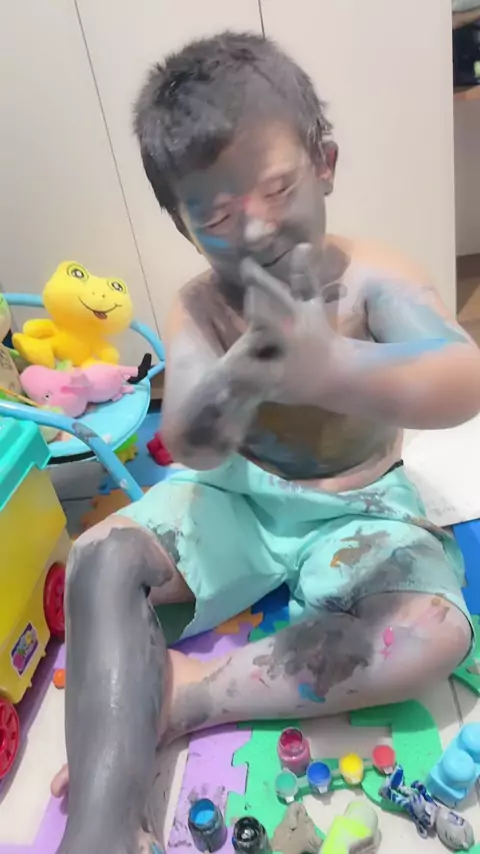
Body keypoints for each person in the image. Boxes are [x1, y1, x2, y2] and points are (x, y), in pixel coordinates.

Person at [52, 32, 479, 854]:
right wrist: (233, 382)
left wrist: (336, 369)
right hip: (237, 500)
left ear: (325, 164)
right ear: (184, 226)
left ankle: (190, 693)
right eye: (215, 216)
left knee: (435, 631)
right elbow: (187, 441)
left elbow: (462, 376)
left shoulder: (373, 275)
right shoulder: (201, 306)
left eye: (278, 188)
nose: (253, 229)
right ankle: (102, 829)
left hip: (361, 511)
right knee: (98, 559)